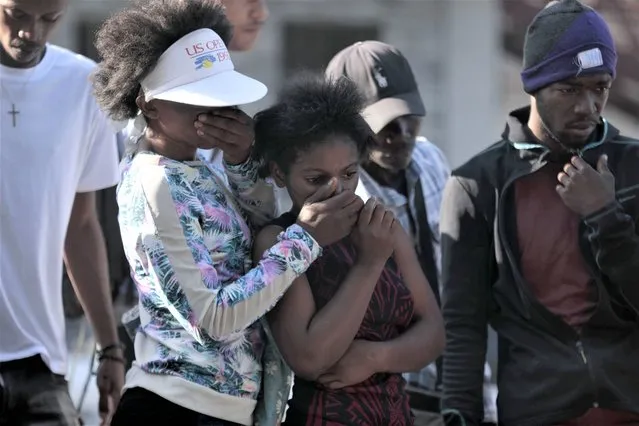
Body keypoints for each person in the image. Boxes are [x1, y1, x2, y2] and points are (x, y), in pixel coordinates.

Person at [91, 1, 360, 424]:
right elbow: (212, 319)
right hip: (177, 407)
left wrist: (240, 160)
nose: (212, 113)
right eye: (195, 100)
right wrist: (304, 241)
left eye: (218, 99)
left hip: (216, 410)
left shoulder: (194, 165)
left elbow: (257, 230)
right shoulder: (156, 181)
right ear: (148, 104)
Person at [440, 1, 639, 425]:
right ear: (533, 84)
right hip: (537, 413)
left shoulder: (633, 169)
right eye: (569, 89)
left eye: (600, 87)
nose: (588, 106)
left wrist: (606, 215)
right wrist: (459, 415)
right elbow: (463, 329)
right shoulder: (476, 186)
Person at [252, 74, 445, 426]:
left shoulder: (382, 228)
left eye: (349, 173)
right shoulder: (278, 242)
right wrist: (369, 264)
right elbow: (309, 357)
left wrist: (376, 356)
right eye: (315, 179)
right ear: (280, 174)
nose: (336, 188)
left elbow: (433, 332)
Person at [323, 41, 497, 425]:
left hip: (463, 388)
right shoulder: (341, 203)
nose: (400, 133)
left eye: (409, 115)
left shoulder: (431, 159)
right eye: (382, 123)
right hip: (386, 398)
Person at [0, 0, 124, 424]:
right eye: (15, 14)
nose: (30, 33)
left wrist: (110, 348)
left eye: (49, 19)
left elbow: (82, 225)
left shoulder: (82, 85)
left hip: (42, 361)